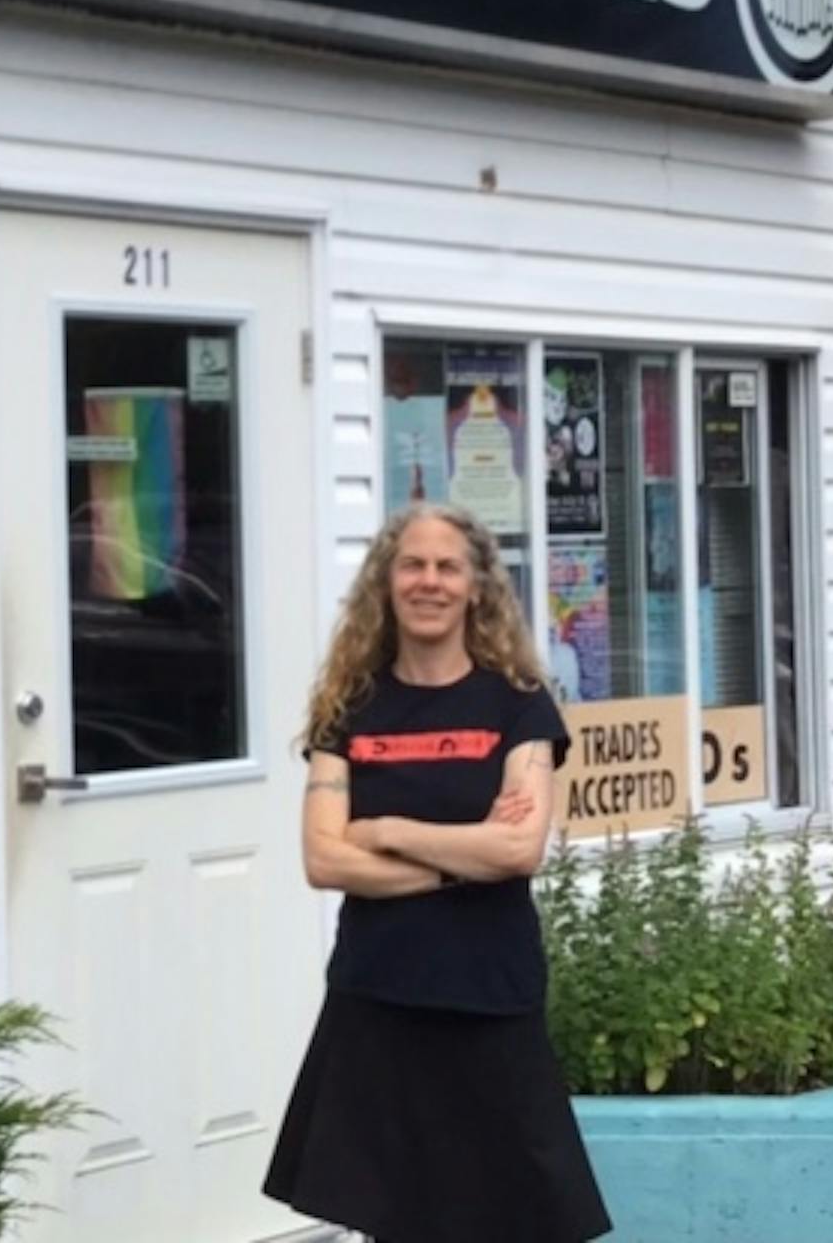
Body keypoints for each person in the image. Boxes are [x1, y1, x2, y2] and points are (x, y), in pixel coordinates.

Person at [263, 503, 611, 1243]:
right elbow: (324, 859)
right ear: (386, 584)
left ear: (476, 587)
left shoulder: (518, 708)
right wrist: (465, 854)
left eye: (448, 567)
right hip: (379, 997)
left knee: (516, 1219)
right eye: (413, 565)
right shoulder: (349, 711)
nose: (430, 582)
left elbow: (519, 851)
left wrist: (389, 833)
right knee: (398, 1222)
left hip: (491, 996)